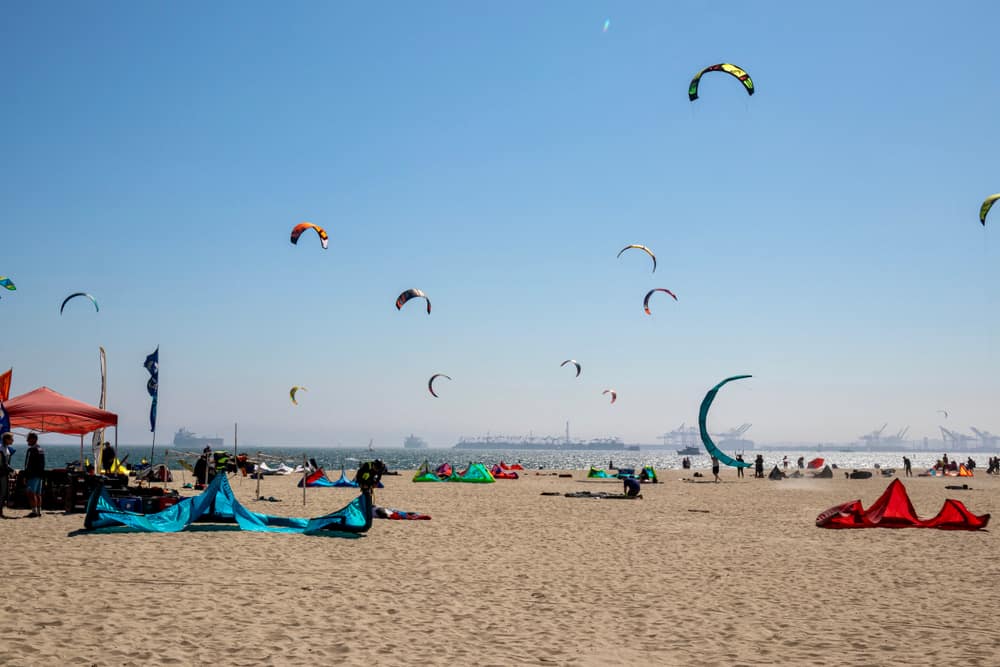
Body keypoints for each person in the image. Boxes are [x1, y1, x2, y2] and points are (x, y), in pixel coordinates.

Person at [23, 433, 45, 517]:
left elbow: (29, 464)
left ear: (34, 439)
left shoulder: (32, 450)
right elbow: (42, 464)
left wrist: (26, 476)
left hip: (32, 475)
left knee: (31, 493)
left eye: (28, 439)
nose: (27, 441)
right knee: (38, 494)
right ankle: (39, 511)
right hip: (39, 475)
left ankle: (34, 511)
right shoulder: (40, 449)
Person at [0, 433, 14, 518]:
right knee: (2, 493)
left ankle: (1, 511)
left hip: (5, 473)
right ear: (6, 439)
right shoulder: (2, 448)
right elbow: (3, 463)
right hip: (1, 474)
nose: (13, 440)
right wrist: (10, 469)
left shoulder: (6, 449)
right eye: (11, 439)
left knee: (3, 493)